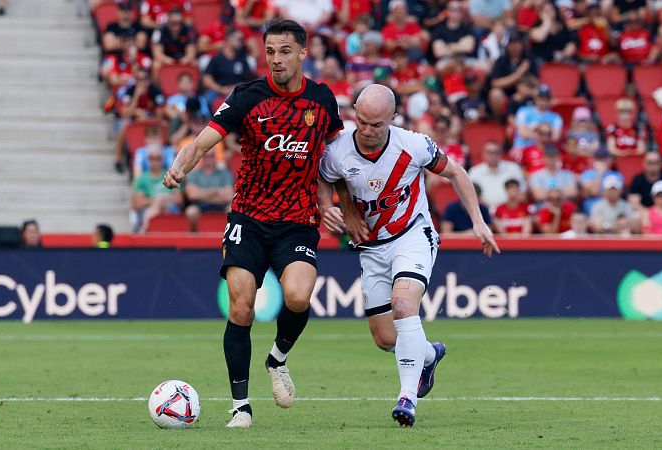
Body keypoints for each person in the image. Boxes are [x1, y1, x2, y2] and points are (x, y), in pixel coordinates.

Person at [162, 19, 343, 429]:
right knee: (241, 307)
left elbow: (334, 161)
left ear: (302, 53)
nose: (276, 60)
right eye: (270, 52)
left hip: (298, 219)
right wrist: (180, 165)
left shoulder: (322, 100)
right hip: (249, 216)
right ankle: (240, 407)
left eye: (284, 51)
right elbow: (206, 138)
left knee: (297, 297)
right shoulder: (247, 96)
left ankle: (277, 358)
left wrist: (335, 204)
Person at [318, 84, 499, 427]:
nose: (368, 131)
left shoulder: (413, 144)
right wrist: (329, 206)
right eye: (362, 122)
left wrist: (478, 221)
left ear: (393, 118)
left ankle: (407, 398)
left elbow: (456, 172)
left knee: (404, 306)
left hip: (412, 235)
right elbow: (323, 177)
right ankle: (429, 355)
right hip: (371, 248)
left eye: (377, 124)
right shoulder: (338, 151)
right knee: (386, 338)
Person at [468, 140, 526, 210]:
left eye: (496, 152)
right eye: (489, 152)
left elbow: (522, 192)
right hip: (484, 211)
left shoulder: (513, 168)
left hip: (510, 211)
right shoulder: (474, 172)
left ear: (501, 154)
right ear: (483, 154)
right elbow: (471, 197)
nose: (492, 155)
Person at [183, 151, 234, 230]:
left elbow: (229, 196)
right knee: (191, 211)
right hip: (200, 206)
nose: (209, 159)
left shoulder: (225, 173)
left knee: (233, 211)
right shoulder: (193, 174)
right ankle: (194, 237)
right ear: (202, 158)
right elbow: (192, 195)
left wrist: (201, 194)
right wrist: (217, 191)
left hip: (222, 205)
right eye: (206, 156)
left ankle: (229, 236)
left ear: (215, 157)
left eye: (211, 156)